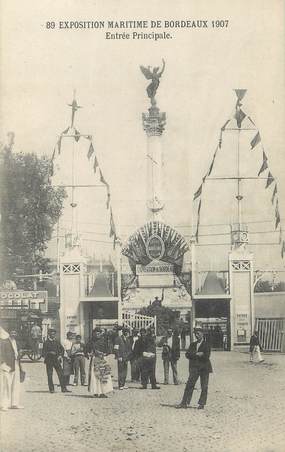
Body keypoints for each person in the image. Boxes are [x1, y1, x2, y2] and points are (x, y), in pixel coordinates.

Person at [177, 326, 212, 410]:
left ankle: (202, 404)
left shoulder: (207, 344)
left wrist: (195, 355)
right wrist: (197, 354)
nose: (196, 335)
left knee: (204, 386)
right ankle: (184, 402)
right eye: (195, 334)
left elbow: (206, 356)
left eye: (198, 334)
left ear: (202, 334)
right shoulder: (193, 344)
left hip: (204, 368)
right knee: (189, 385)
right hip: (195, 368)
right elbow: (187, 355)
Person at [0, 328, 24, 410]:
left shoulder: (16, 342)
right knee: (6, 385)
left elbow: (17, 353)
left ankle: (14, 403)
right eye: (12, 332)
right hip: (7, 365)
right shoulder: (4, 342)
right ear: (9, 333)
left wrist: (20, 354)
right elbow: (1, 354)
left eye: (15, 332)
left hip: (16, 364)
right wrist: (3, 364)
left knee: (16, 385)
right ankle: (4, 404)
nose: (14, 334)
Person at [86, 328, 113, 398]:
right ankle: (95, 392)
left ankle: (103, 392)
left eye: (98, 333)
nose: (97, 335)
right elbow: (86, 350)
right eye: (95, 333)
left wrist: (104, 353)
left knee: (103, 375)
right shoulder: (91, 341)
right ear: (93, 334)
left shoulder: (104, 341)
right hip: (95, 359)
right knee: (95, 375)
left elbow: (109, 350)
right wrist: (89, 353)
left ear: (101, 334)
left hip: (103, 359)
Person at [42, 329, 70, 393]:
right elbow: (43, 353)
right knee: (50, 375)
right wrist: (49, 353)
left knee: (61, 374)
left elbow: (62, 350)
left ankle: (63, 388)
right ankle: (51, 389)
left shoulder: (57, 342)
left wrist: (60, 355)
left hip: (56, 360)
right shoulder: (46, 343)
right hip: (49, 361)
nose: (53, 335)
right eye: (52, 334)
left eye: (54, 334)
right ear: (49, 335)